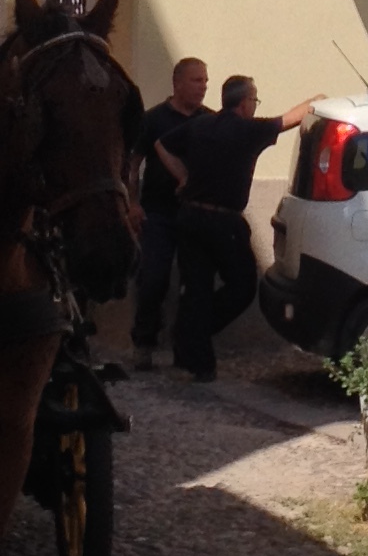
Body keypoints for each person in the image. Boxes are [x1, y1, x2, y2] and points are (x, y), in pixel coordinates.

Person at [159, 74, 317, 383]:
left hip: (191, 217)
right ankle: (194, 342)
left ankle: (194, 352)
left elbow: (162, 144)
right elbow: (292, 119)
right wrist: (319, 100)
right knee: (242, 286)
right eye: (254, 100)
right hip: (223, 221)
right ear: (244, 103)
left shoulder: (201, 125)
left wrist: (182, 177)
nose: (255, 106)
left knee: (196, 291)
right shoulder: (248, 130)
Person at [128, 56, 209, 361]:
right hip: (157, 213)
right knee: (152, 277)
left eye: (205, 81)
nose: (202, 87)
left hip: (195, 214)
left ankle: (185, 348)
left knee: (194, 284)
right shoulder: (153, 119)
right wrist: (132, 203)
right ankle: (144, 342)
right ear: (177, 83)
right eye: (196, 80)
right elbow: (133, 164)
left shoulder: (209, 120)